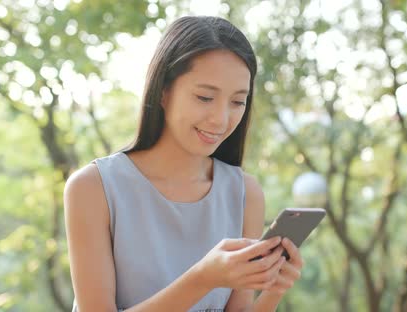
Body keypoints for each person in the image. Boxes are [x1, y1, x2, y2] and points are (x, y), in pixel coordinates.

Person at [64, 16, 303, 312]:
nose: (221, 119)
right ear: (163, 91)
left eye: (237, 101)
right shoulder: (93, 187)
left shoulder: (244, 193)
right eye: (205, 97)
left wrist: (273, 291)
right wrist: (202, 278)